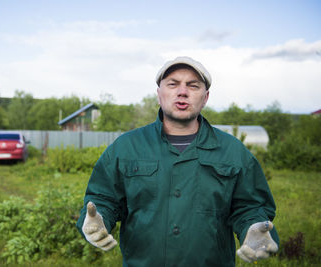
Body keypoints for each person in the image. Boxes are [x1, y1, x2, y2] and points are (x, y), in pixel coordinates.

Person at [76, 56, 279, 266]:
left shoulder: (233, 152)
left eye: (193, 85)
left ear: (206, 97)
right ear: (159, 94)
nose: (182, 91)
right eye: (173, 84)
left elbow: (252, 207)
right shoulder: (125, 147)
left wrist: (255, 227)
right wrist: (97, 219)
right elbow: (103, 199)